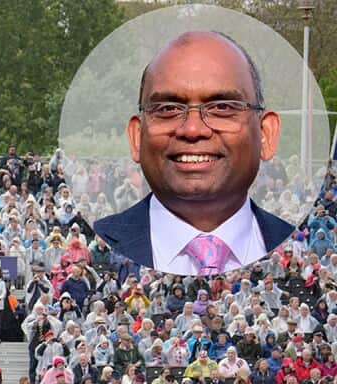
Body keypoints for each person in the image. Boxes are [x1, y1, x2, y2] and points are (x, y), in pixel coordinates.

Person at [93, 32, 292, 274]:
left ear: (265, 134)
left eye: (222, 107)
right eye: (167, 109)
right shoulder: (94, 247)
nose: (193, 129)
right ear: (137, 137)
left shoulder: (295, 244)